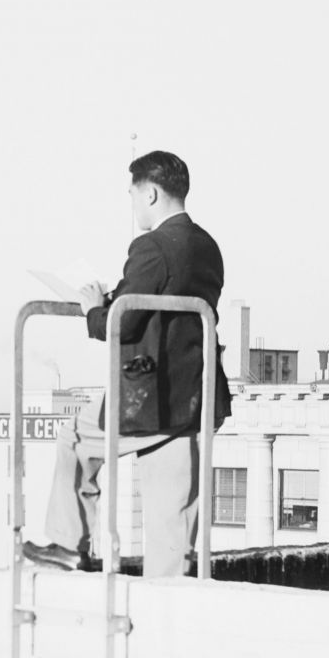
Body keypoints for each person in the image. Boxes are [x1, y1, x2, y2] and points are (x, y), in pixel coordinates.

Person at [24, 150, 230, 577]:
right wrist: (117, 294)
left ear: (151, 193)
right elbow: (158, 302)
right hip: (194, 394)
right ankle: (167, 595)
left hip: (148, 398)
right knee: (171, 510)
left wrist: (92, 310)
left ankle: (66, 545)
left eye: (133, 195)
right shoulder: (207, 247)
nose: (133, 205)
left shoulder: (151, 245)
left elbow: (123, 324)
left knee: (74, 439)